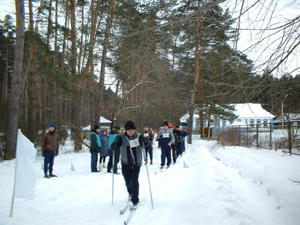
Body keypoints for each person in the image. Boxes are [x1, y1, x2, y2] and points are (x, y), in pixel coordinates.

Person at [111, 120, 148, 207]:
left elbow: (147, 144)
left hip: (136, 163)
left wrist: (145, 142)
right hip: (125, 162)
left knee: (134, 180)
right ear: (126, 131)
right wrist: (115, 145)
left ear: (134, 130)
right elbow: (116, 143)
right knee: (128, 180)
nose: (130, 132)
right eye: (128, 130)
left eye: (132, 130)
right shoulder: (121, 137)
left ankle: (135, 198)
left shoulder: (139, 136)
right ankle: (131, 192)